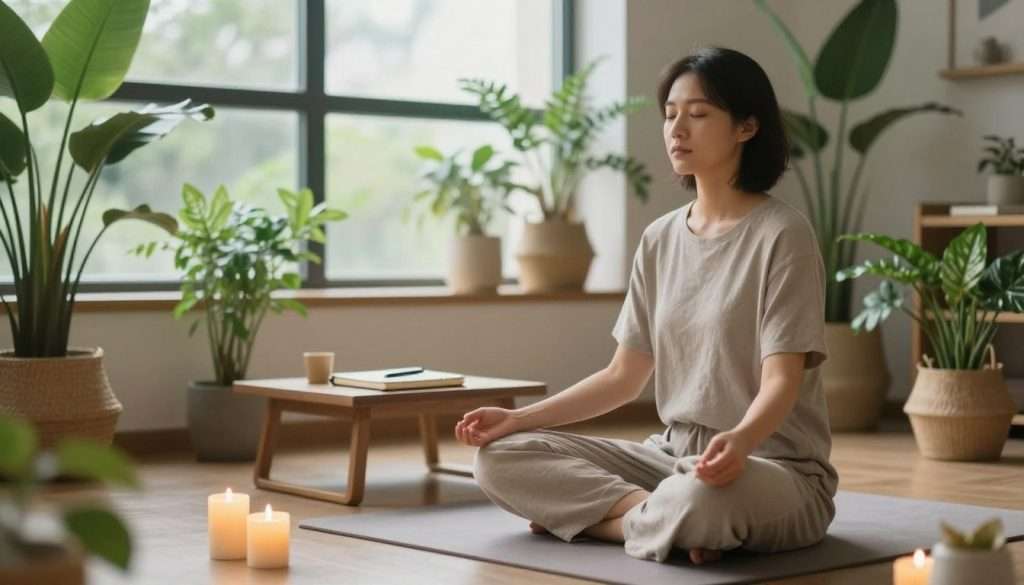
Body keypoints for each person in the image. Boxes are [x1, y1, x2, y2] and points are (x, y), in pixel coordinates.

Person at [454, 46, 837, 565]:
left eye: (698, 115)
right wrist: (519, 420)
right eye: (671, 114)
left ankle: (613, 521)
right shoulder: (659, 239)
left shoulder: (783, 235)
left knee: (700, 500)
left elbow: (782, 381)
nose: (678, 129)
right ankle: (653, 523)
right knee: (498, 459)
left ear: (747, 127)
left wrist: (741, 441)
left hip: (768, 467)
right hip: (670, 460)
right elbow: (622, 377)